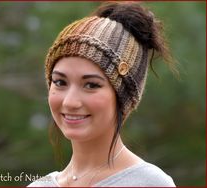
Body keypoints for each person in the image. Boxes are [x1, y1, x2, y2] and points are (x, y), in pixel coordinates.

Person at [28, 2, 177, 187]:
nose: (70, 102)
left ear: (123, 96)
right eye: (60, 82)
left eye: (91, 85)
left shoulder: (150, 183)